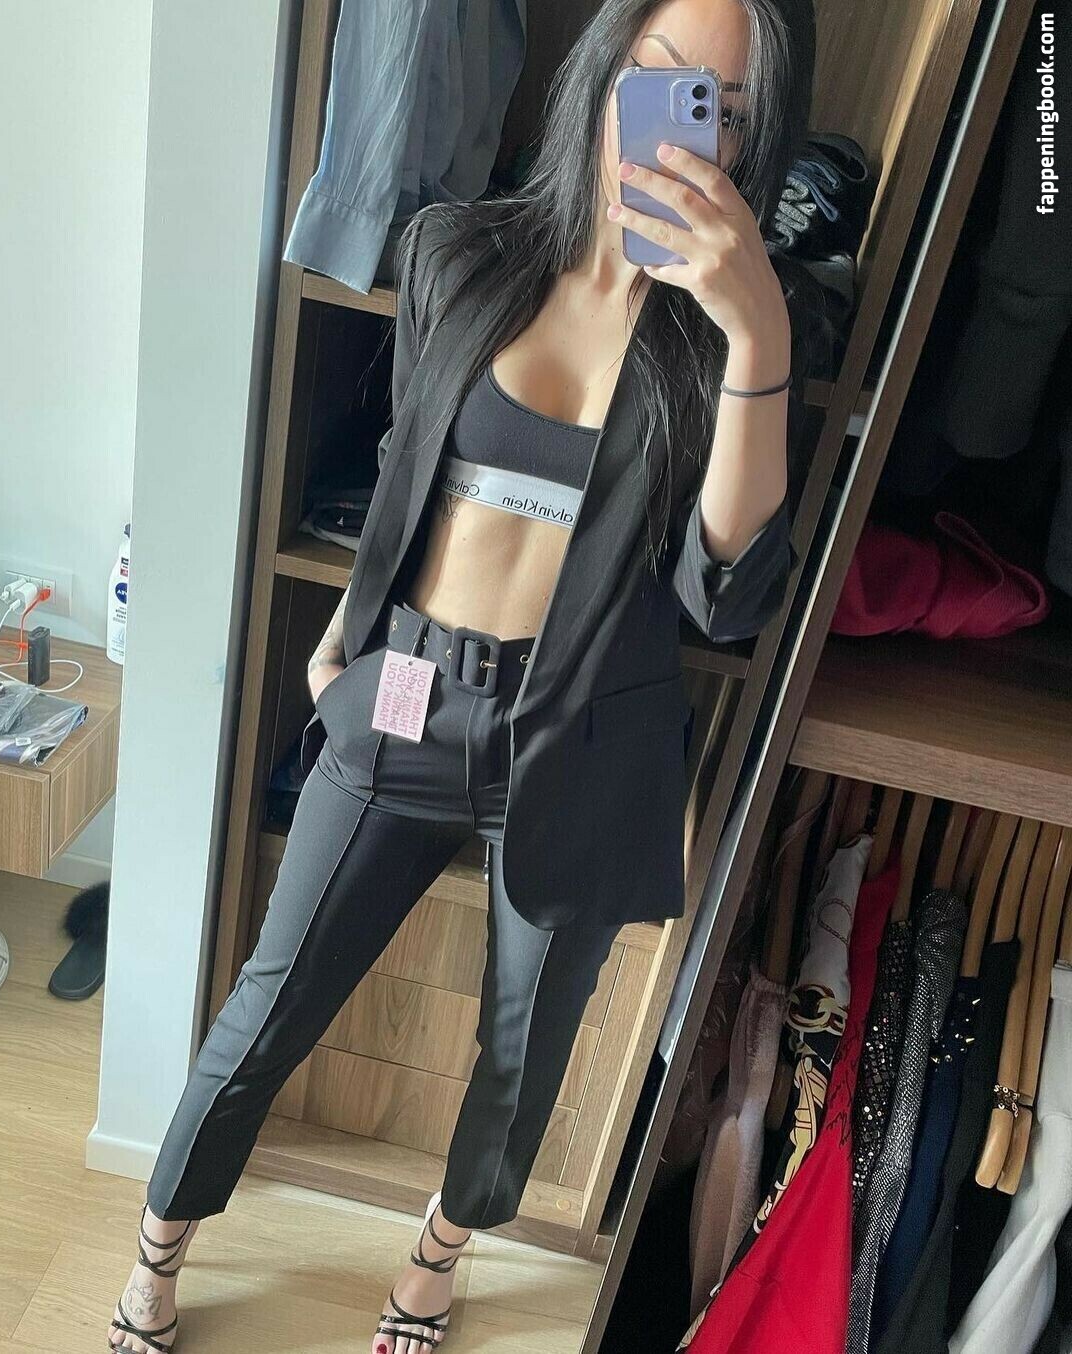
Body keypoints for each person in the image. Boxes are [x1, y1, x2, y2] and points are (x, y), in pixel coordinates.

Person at [107, 0, 817, 1350]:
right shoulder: (460, 249)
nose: (684, 127)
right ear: (606, 71)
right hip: (408, 694)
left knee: (519, 1058)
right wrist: (348, 627)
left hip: (583, 742)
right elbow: (406, 460)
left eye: (722, 108)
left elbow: (725, 595)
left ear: (754, 138)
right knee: (268, 1005)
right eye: (662, 76)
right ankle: (159, 1243)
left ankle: (435, 1259)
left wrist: (760, 342)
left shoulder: (731, 344)